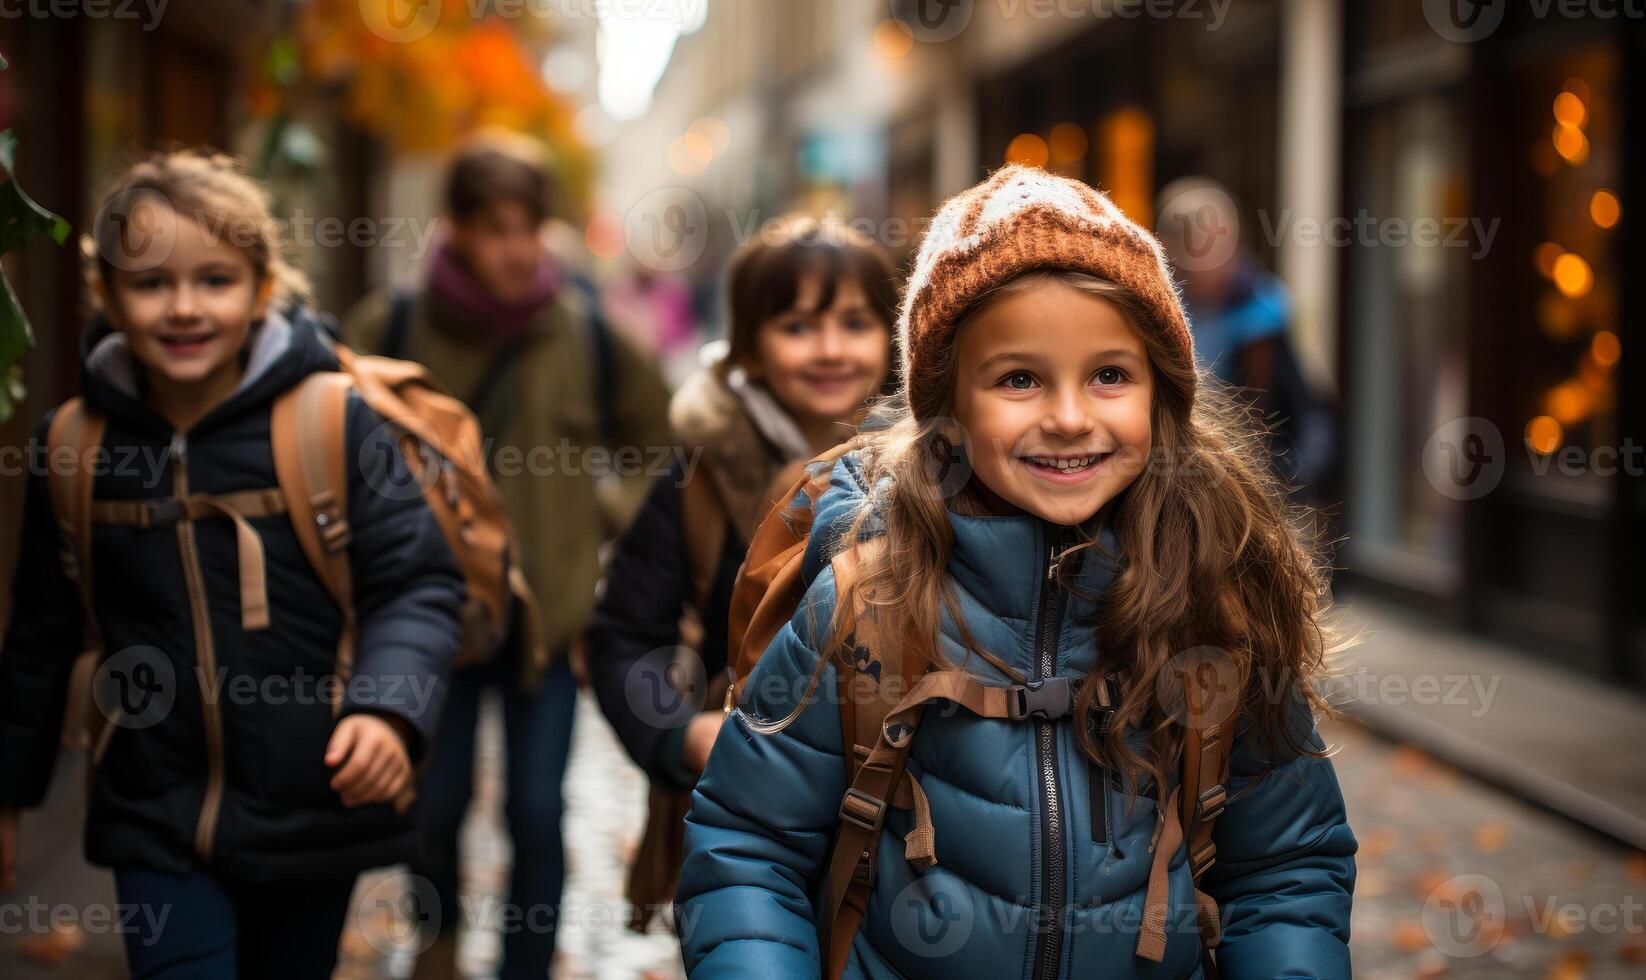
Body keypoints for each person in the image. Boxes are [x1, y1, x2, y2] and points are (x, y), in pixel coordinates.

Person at [675, 165, 1357, 977]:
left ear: (1159, 392)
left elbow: (1285, 867)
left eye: (1109, 375)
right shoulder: (867, 600)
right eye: (1020, 379)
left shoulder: (1212, 598)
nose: (1069, 418)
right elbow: (750, 845)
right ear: (949, 408)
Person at [0, 149, 465, 978]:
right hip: (152, 809)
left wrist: (389, 708)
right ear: (106, 295)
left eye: (214, 280)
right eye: (149, 284)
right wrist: (10, 793)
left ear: (260, 290)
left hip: (313, 805)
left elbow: (417, 581)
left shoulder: (333, 422)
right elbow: (41, 631)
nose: (183, 308)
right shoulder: (73, 447)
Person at [341, 131, 671, 980]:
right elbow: (330, 450)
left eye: (532, 226)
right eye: (497, 228)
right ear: (454, 227)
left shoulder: (591, 338)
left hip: (549, 626)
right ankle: (439, 953)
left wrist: (598, 513)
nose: (519, 248)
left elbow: (662, 448)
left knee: (534, 811)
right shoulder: (393, 326)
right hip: (431, 626)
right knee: (434, 810)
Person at [586, 217, 896, 925]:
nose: (830, 349)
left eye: (855, 322)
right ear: (751, 348)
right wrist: (678, 734)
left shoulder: (944, 471)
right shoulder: (700, 478)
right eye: (796, 326)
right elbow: (621, 637)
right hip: (753, 817)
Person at [1156, 178, 1336, 496]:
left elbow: (1304, 410)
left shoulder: (1265, 312)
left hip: (1245, 482)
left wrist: (1289, 484)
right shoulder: (1155, 309)